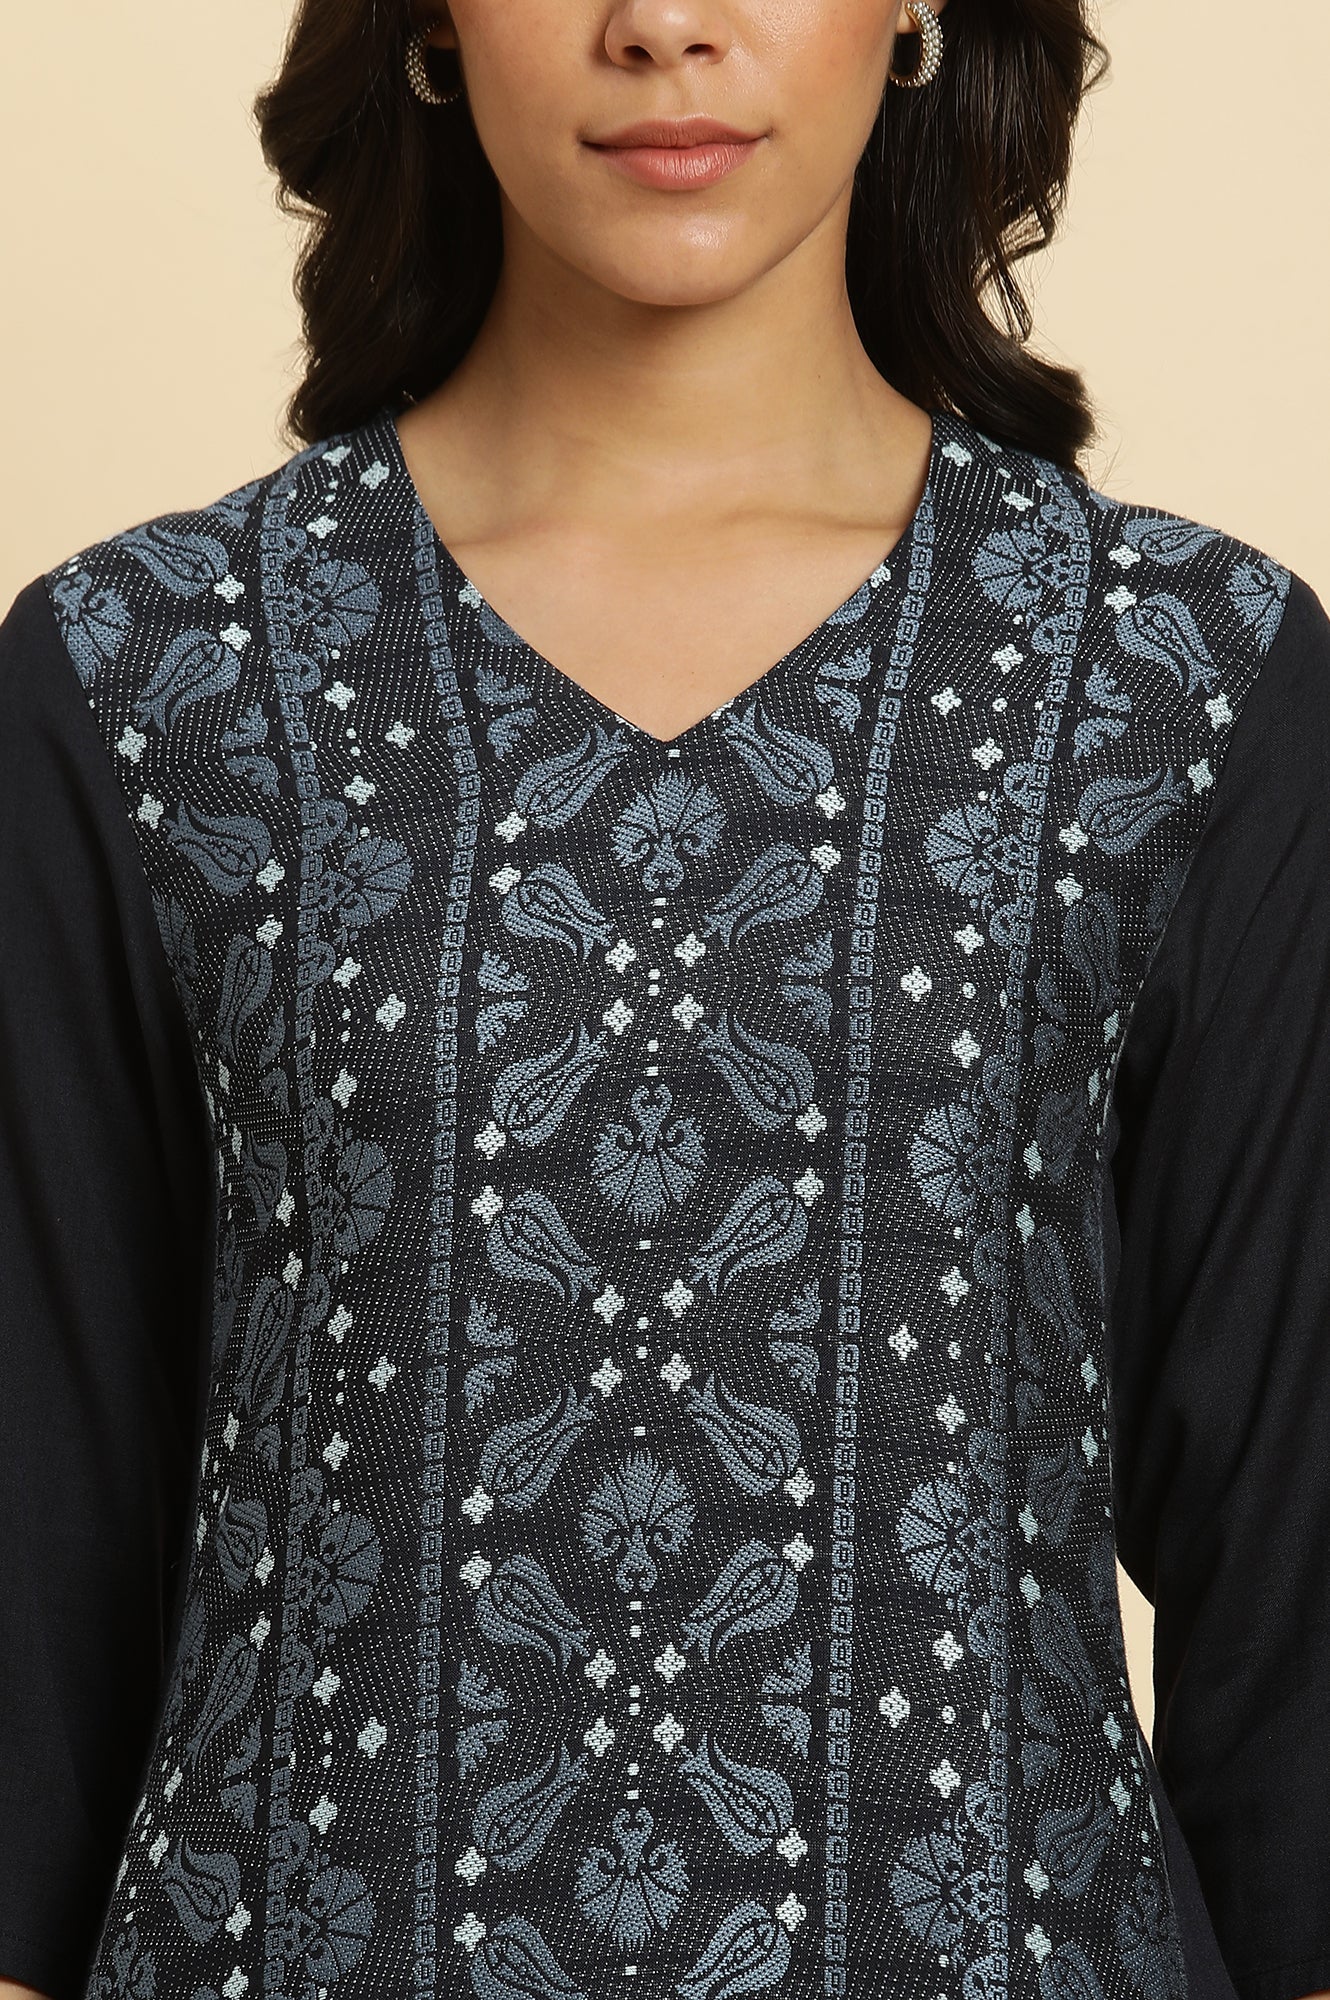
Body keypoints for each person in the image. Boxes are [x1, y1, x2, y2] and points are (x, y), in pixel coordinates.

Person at [1, 2, 1328, 1998]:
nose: (663, 25)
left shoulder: (1178, 678)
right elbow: (38, 1544)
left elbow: (1293, 1585)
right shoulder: (150, 676)